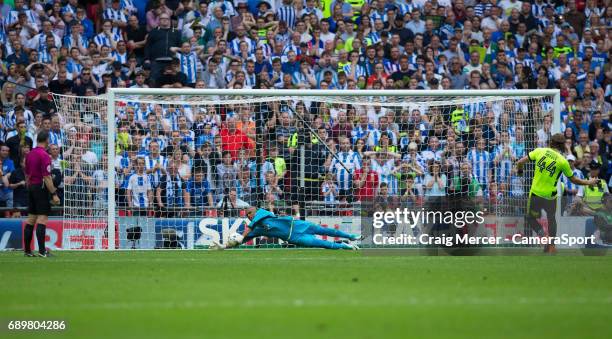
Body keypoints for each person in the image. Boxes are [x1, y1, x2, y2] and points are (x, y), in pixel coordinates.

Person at [515, 133, 599, 253]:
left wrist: (519, 171)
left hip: (536, 193)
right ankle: (552, 246)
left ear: (550, 142)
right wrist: (589, 182)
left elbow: (520, 162)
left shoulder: (539, 151)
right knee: (551, 219)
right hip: (550, 196)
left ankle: (543, 236)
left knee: (530, 218)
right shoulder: (562, 161)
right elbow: (574, 180)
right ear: (562, 146)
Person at [221, 207, 362, 250]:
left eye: (249, 214)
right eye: (248, 215)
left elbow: (251, 225)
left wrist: (246, 230)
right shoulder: (256, 229)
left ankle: (351, 236)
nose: (250, 216)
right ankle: (345, 246)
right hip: (293, 237)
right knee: (320, 243)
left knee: (324, 230)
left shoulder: (261, 212)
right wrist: (224, 246)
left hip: (297, 224)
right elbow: (241, 240)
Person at [23, 131, 60, 257]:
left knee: (31, 219)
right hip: (40, 188)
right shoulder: (44, 155)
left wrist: (30, 187)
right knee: (42, 219)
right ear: (47, 140)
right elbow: (47, 177)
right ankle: (42, 251)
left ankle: (28, 251)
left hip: (31, 187)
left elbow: (27, 174)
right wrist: (54, 193)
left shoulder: (30, 154)